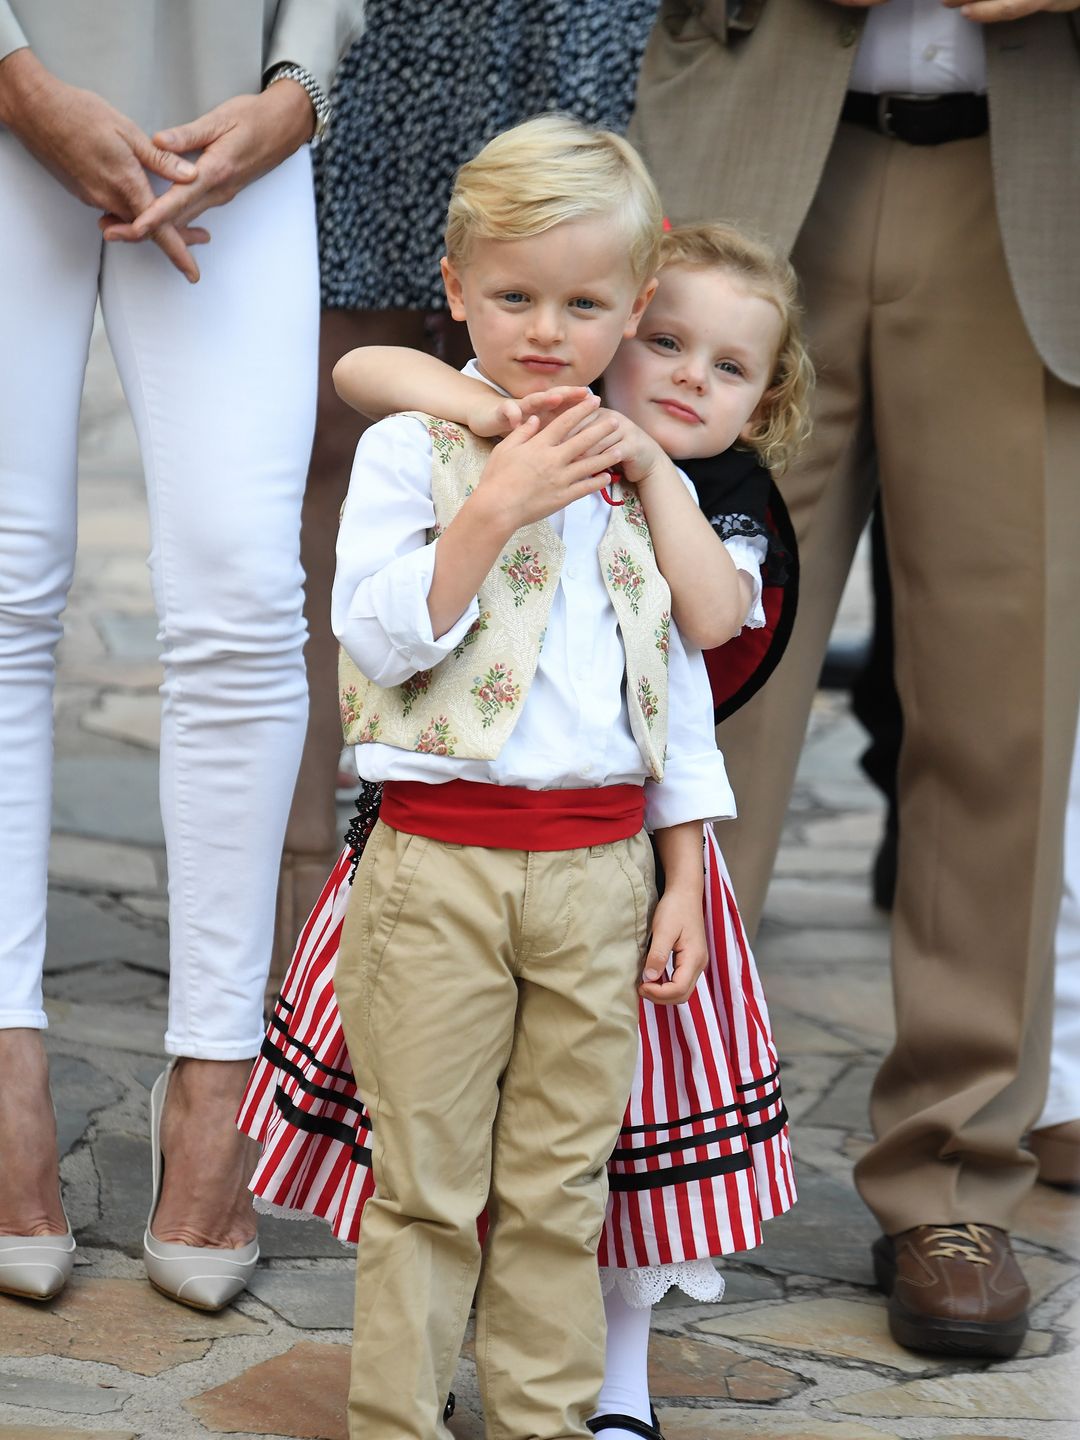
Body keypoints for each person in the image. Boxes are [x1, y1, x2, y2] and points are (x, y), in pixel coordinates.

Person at [240, 219, 809, 1440]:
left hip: (607, 869)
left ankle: (572, 1405)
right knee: (431, 1176)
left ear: (766, 401)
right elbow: (369, 374)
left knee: (571, 1177)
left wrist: (680, 879)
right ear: (624, 326)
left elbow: (687, 698)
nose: (680, 378)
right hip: (444, 850)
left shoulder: (682, 512)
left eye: (726, 368)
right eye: (661, 342)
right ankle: (401, 1407)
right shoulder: (491, 428)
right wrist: (505, 436)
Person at [629, 0, 1080, 1361]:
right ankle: (627, 1152)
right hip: (756, 168)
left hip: (1031, 175)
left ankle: (951, 1179)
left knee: (1004, 712)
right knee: (691, 694)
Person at [0, 0, 362, 1309]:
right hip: (8, 78)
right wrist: (16, 77)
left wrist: (297, 89)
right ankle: (6, 1067)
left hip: (229, 117)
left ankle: (217, 1079)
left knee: (244, 591)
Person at [272, 0, 662, 979]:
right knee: (325, 447)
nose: (546, 327)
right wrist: (482, 415)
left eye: (579, 309)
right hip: (405, 34)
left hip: (577, 28)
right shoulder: (447, 418)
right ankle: (309, 873)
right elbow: (359, 371)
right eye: (518, 305)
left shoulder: (625, 430)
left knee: (572, 246)